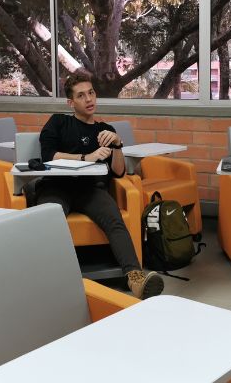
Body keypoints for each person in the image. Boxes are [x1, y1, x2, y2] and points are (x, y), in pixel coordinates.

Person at [35, 72, 164, 299]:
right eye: (81, 95)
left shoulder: (105, 130)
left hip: (91, 189)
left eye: (91, 93)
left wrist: (117, 144)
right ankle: (45, 280)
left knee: (114, 220)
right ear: (71, 102)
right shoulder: (59, 122)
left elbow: (118, 171)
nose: (88, 99)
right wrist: (88, 157)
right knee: (48, 220)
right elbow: (48, 156)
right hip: (56, 186)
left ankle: (136, 279)